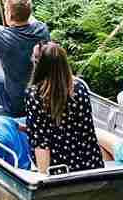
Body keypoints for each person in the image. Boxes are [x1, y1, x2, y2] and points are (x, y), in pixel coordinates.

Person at [25, 42, 104, 174]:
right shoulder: (80, 88)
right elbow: (85, 129)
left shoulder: (35, 95)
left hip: (59, 170)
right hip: (90, 164)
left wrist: (44, 177)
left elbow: (41, 143)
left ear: (39, 64)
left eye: (34, 57)